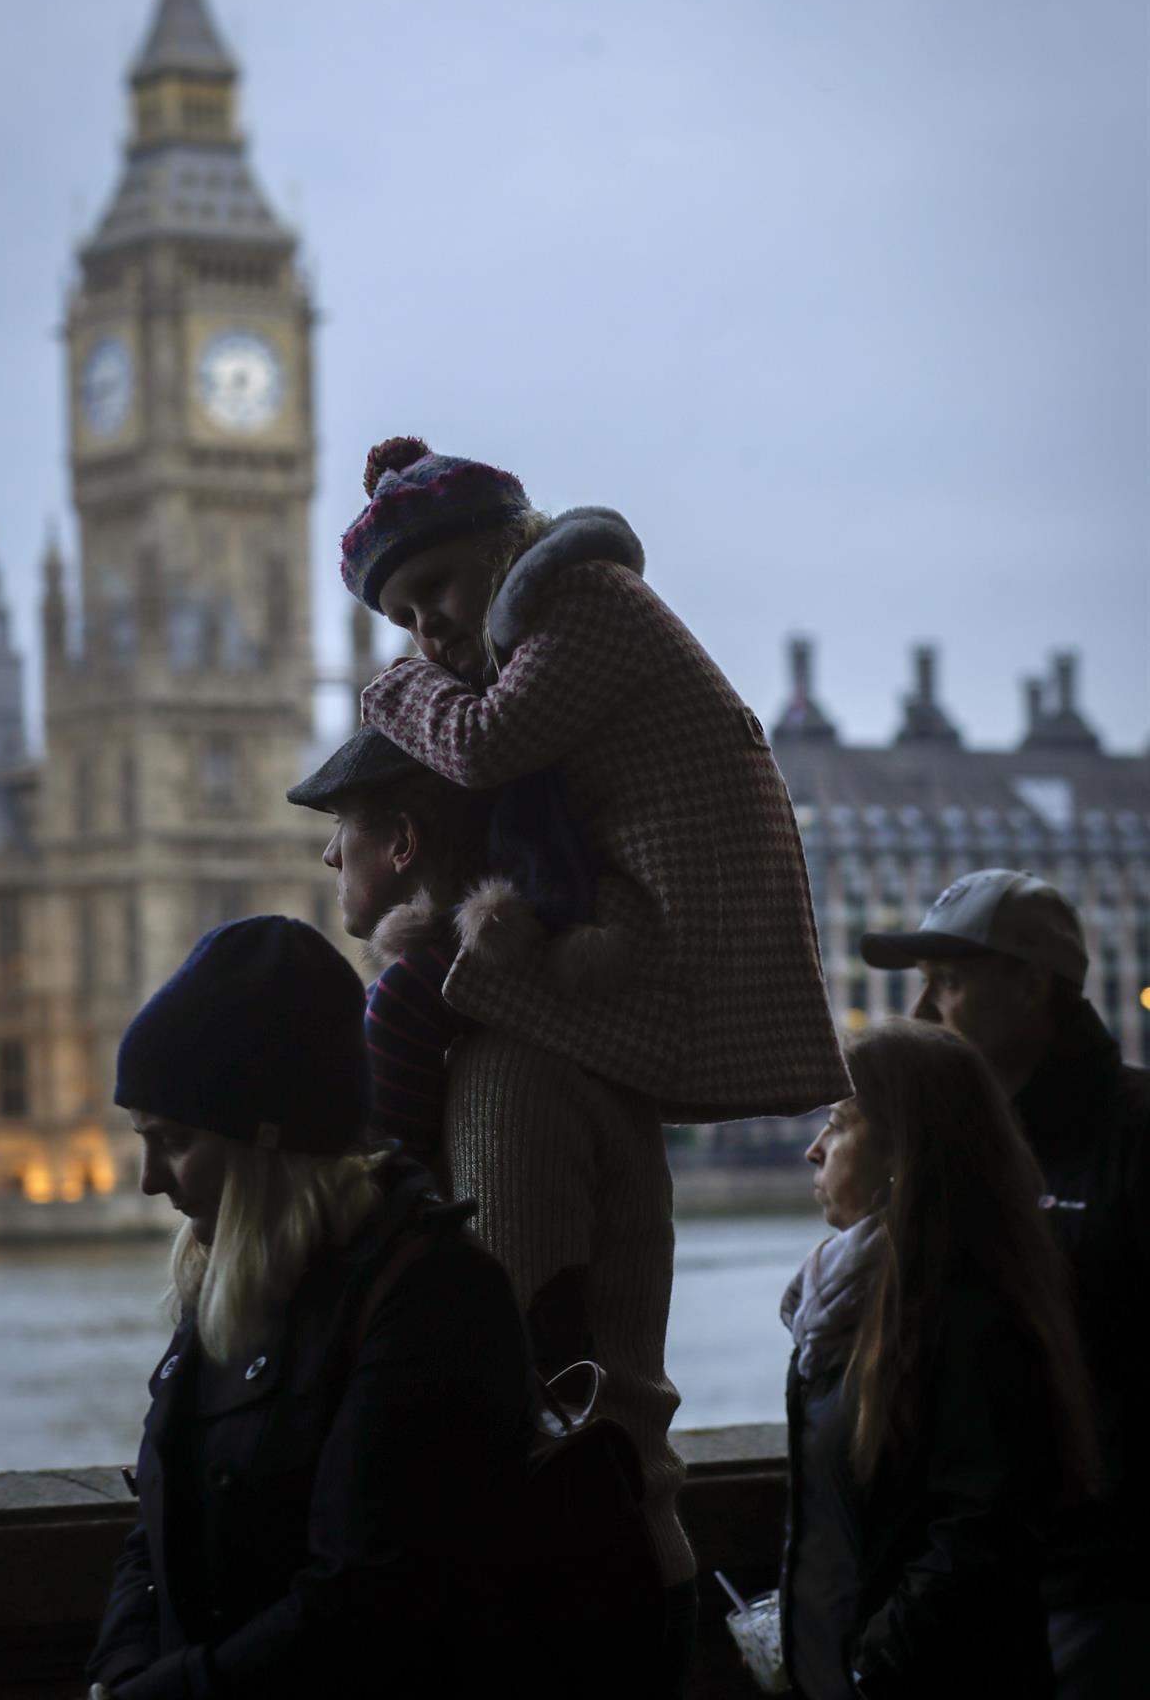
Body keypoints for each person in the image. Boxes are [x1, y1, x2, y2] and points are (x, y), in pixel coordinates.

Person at [337, 436, 851, 1692]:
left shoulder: (583, 601)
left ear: (408, 845)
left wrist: (386, 690)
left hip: (571, 1573)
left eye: (436, 598)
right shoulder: (526, 1027)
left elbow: (506, 1327)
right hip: (594, 1544)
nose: (429, 633)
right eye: (402, 620)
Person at [86, 915, 539, 1700]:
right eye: (141, 1138)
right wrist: (119, 1674)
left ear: (267, 1138)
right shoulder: (231, 1280)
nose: (149, 1180)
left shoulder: (434, 1300)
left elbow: (365, 1602)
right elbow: (154, 1530)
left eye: (175, 1141)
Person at [860, 868, 1150, 1698]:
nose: (923, 1013)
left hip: (1109, 1587)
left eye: (947, 983)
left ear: (1031, 986)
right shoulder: (961, 1158)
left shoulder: (1135, 1136)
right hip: (988, 1583)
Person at [781, 1018, 1097, 1700]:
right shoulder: (847, 1300)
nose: (814, 1150)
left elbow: (980, 1528)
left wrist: (873, 1663)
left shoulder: (967, 1306)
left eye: (837, 1125)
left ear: (903, 1150)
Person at [287, 723, 494, 1172]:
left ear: (402, 842)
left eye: (341, 823)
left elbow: (362, 1198)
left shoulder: (411, 997)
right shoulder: (476, 977)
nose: (330, 853)